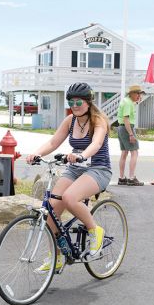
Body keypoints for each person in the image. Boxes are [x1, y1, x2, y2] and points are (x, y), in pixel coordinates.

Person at [26, 82, 112, 271]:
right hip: (75, 170)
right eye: (70, 102)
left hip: (98, 169)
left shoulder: (99, 120)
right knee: (50, 212)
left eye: (78, 102)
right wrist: (37, 154)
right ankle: (56, 256)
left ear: (88, 102)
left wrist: (82, 155)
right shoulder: (70, 120)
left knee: (70, 197)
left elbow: (96, 144)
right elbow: (53, 142)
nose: (74, 106)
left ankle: (95, 231)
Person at [117, 84, 145, 186]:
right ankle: (131, 178)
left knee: (124, 153)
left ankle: (121, 178)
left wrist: (136, 101)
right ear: (132, 94)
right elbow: (126, 119)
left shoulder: (126, 101)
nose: (139, 96)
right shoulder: (128, 103)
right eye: (137, 93)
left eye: (140, 94)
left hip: (121, 128)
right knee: (134, 152)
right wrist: (131, 134)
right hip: (126, 128)